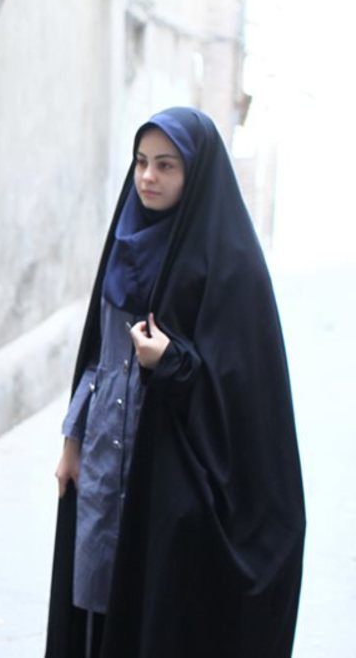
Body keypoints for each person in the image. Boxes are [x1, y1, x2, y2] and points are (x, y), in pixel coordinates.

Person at [45, 107, 305, 657]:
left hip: (168, 472)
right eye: (141, 162)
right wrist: (72, 443)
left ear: (196, 174)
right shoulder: (125, 240)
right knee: (94, 598)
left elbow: (245, 396)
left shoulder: (232, 266)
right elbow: (98, 355)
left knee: (154, 609)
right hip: (102, 459)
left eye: (167, 165)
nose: (148, 178)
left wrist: (172, 363)